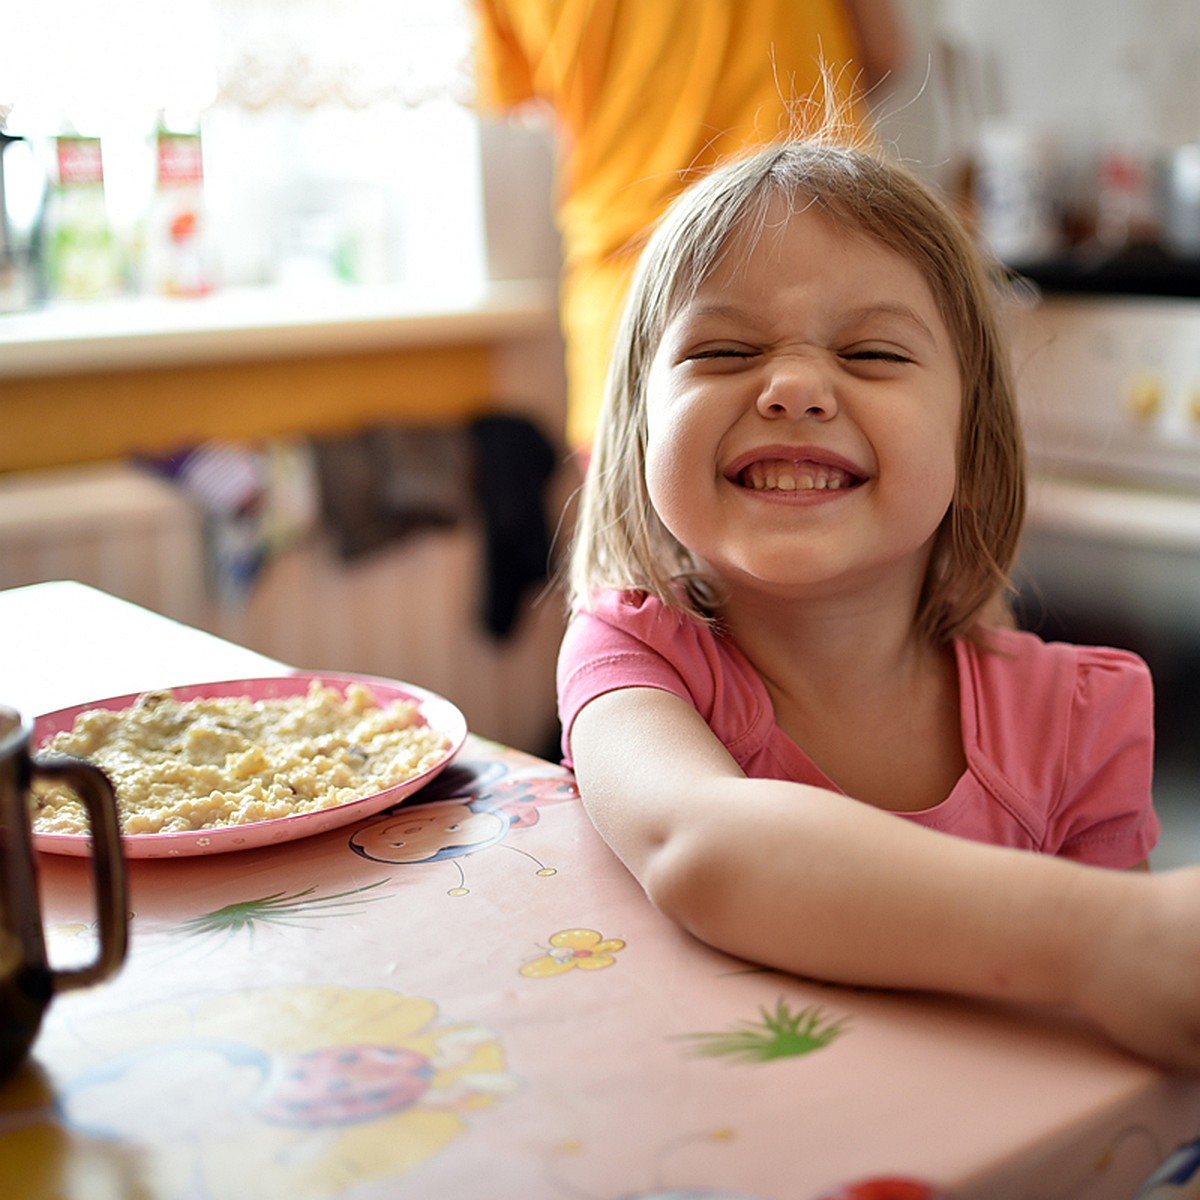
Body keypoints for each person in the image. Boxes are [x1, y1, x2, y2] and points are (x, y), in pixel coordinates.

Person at [555, 119, 1200, 1071]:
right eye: (725, 351)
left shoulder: (1078, 720)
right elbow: (708, 847)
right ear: (638, 431)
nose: (794, 387)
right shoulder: (633, 661)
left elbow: (1131, 1056)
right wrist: (1100, 940)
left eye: (875, 355)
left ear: (970, 454)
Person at [472, 0, 907, 456]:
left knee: (631, 522)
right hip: (823, 249)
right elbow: (882, 56)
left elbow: (548, 107)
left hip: (625, 290)